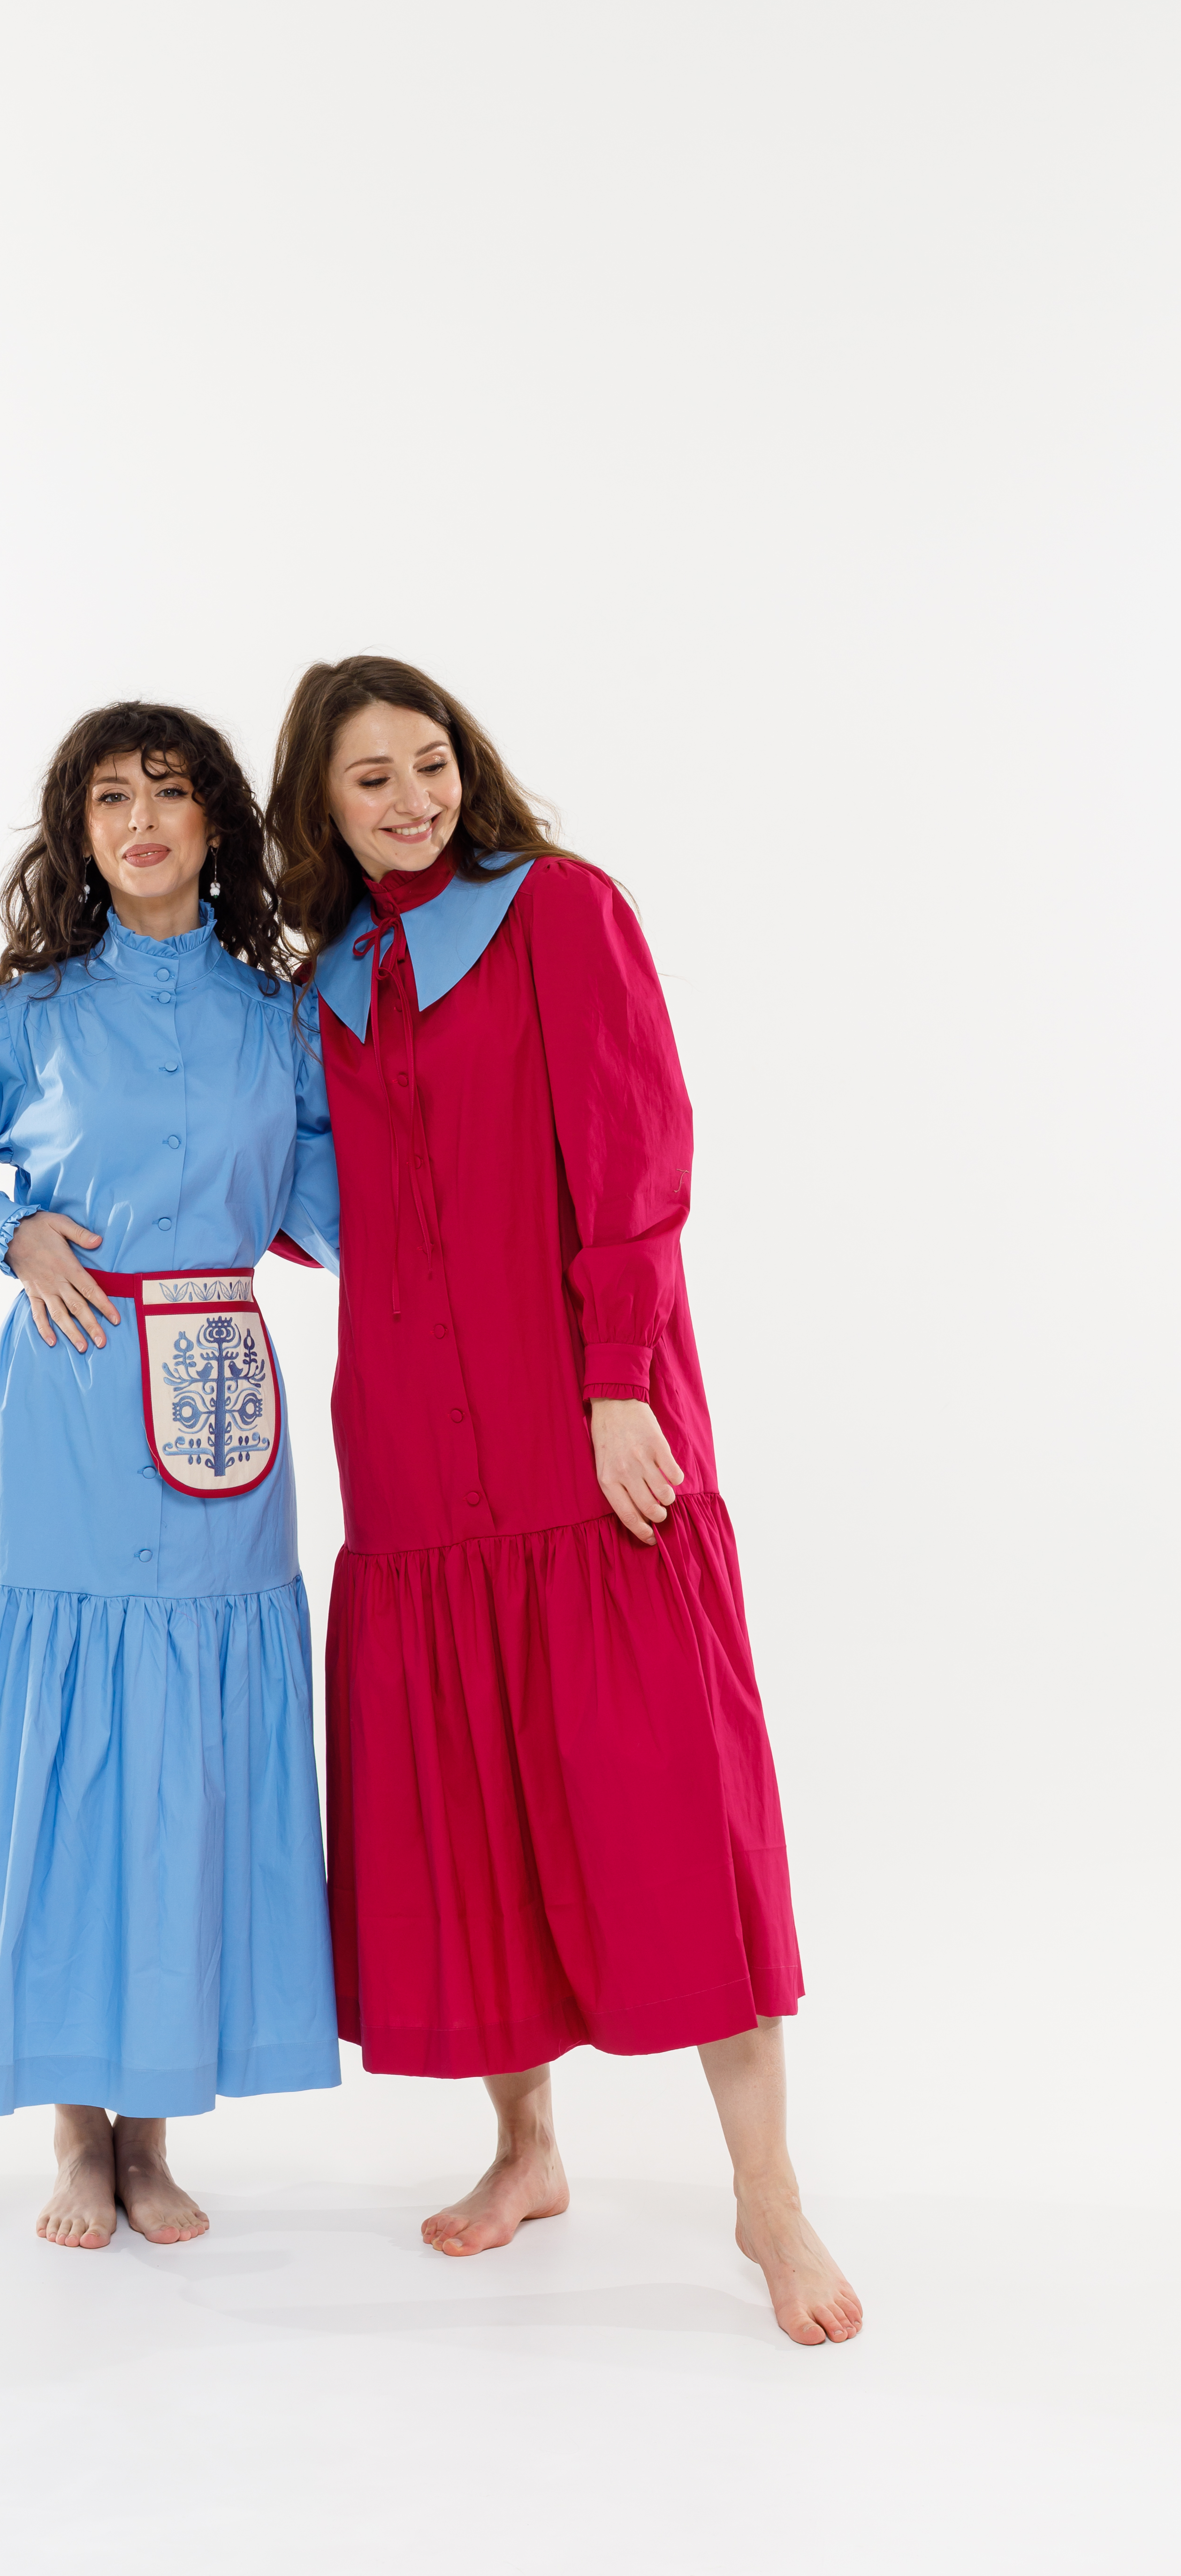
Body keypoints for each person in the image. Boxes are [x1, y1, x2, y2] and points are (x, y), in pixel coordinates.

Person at [268, 656, 861, 2344]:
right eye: (370, 777)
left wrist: (617, 1384)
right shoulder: (325, 986)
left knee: (670, 1797)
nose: (411, 799)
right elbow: (312, 1200)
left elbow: (635, 1157)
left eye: (430, 761)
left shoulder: (560, 912)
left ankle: (765, 2192)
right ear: (321, 808)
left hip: (588, 1428)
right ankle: (526, 2148)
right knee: (474, 1802)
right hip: (411, 1451)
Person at [0, 702, 341, 2250]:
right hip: (61, 1404)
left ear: (214, 823)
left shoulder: (278, 1019)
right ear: (79, 831)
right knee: (62, 1752)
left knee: (186, 1753)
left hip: (220, 1398)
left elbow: (342, 1192)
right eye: (109, 797)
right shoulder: (28, 1015)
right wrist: (5, 1230)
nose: (140, 820)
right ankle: (73, 2132)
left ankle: (154, 2125)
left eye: (168, 793)